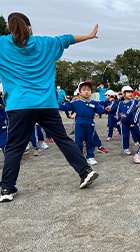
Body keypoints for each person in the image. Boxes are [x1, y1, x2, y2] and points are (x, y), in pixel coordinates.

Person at [0, 12, 100, 202]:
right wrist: (88, 36)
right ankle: (85, 171)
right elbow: (68, 39)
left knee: (14, 147)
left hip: (19, 104)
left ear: (9, 29)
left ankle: (6, 189)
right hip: (46, 103)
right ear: (30, 27)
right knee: (62, 138)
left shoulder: (2, 44)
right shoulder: (46, 43)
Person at [59, 81, 110, 165]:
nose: (86, 91)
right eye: (84, 90)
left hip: (90, 124)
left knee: (90, 140)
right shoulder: (76, 103)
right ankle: (79, 158)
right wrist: (54, 102)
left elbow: (100, 110)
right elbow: (65, 107)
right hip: (79, 123)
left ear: (91, 92)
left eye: (88, 90)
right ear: (80, 92)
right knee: (78, 141)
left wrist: (106, 110)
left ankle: (90, 156)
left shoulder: (94, 103)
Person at [117, 86, 140, 155]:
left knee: (138, 134)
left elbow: (132, 109)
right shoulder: (121, 103)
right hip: (124, 122)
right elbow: (118, 111)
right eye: (128, 92)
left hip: (133, 122)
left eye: (131, 92)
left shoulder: (133, 101)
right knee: (125, 135)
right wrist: (119, 119)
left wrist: (126, 115)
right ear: (123, 94)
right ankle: (126, 148)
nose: (130, 93)